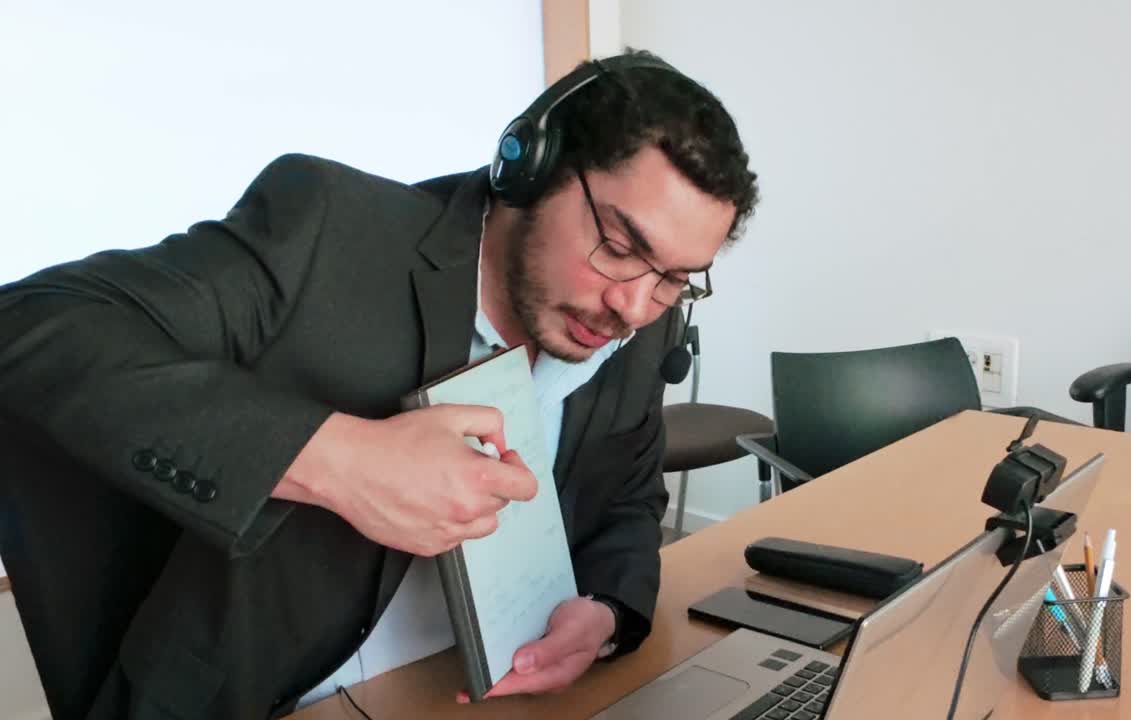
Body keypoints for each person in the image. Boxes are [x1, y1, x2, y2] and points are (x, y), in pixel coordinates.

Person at [0, 49, 758, 719]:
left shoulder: (639, 316)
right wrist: (338, 460)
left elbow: (628, 498)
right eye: (620, 246)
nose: (632, 304)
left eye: (675, 280)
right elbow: (31, 323)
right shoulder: (329, 232)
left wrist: (605, 614)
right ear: (530, 166)